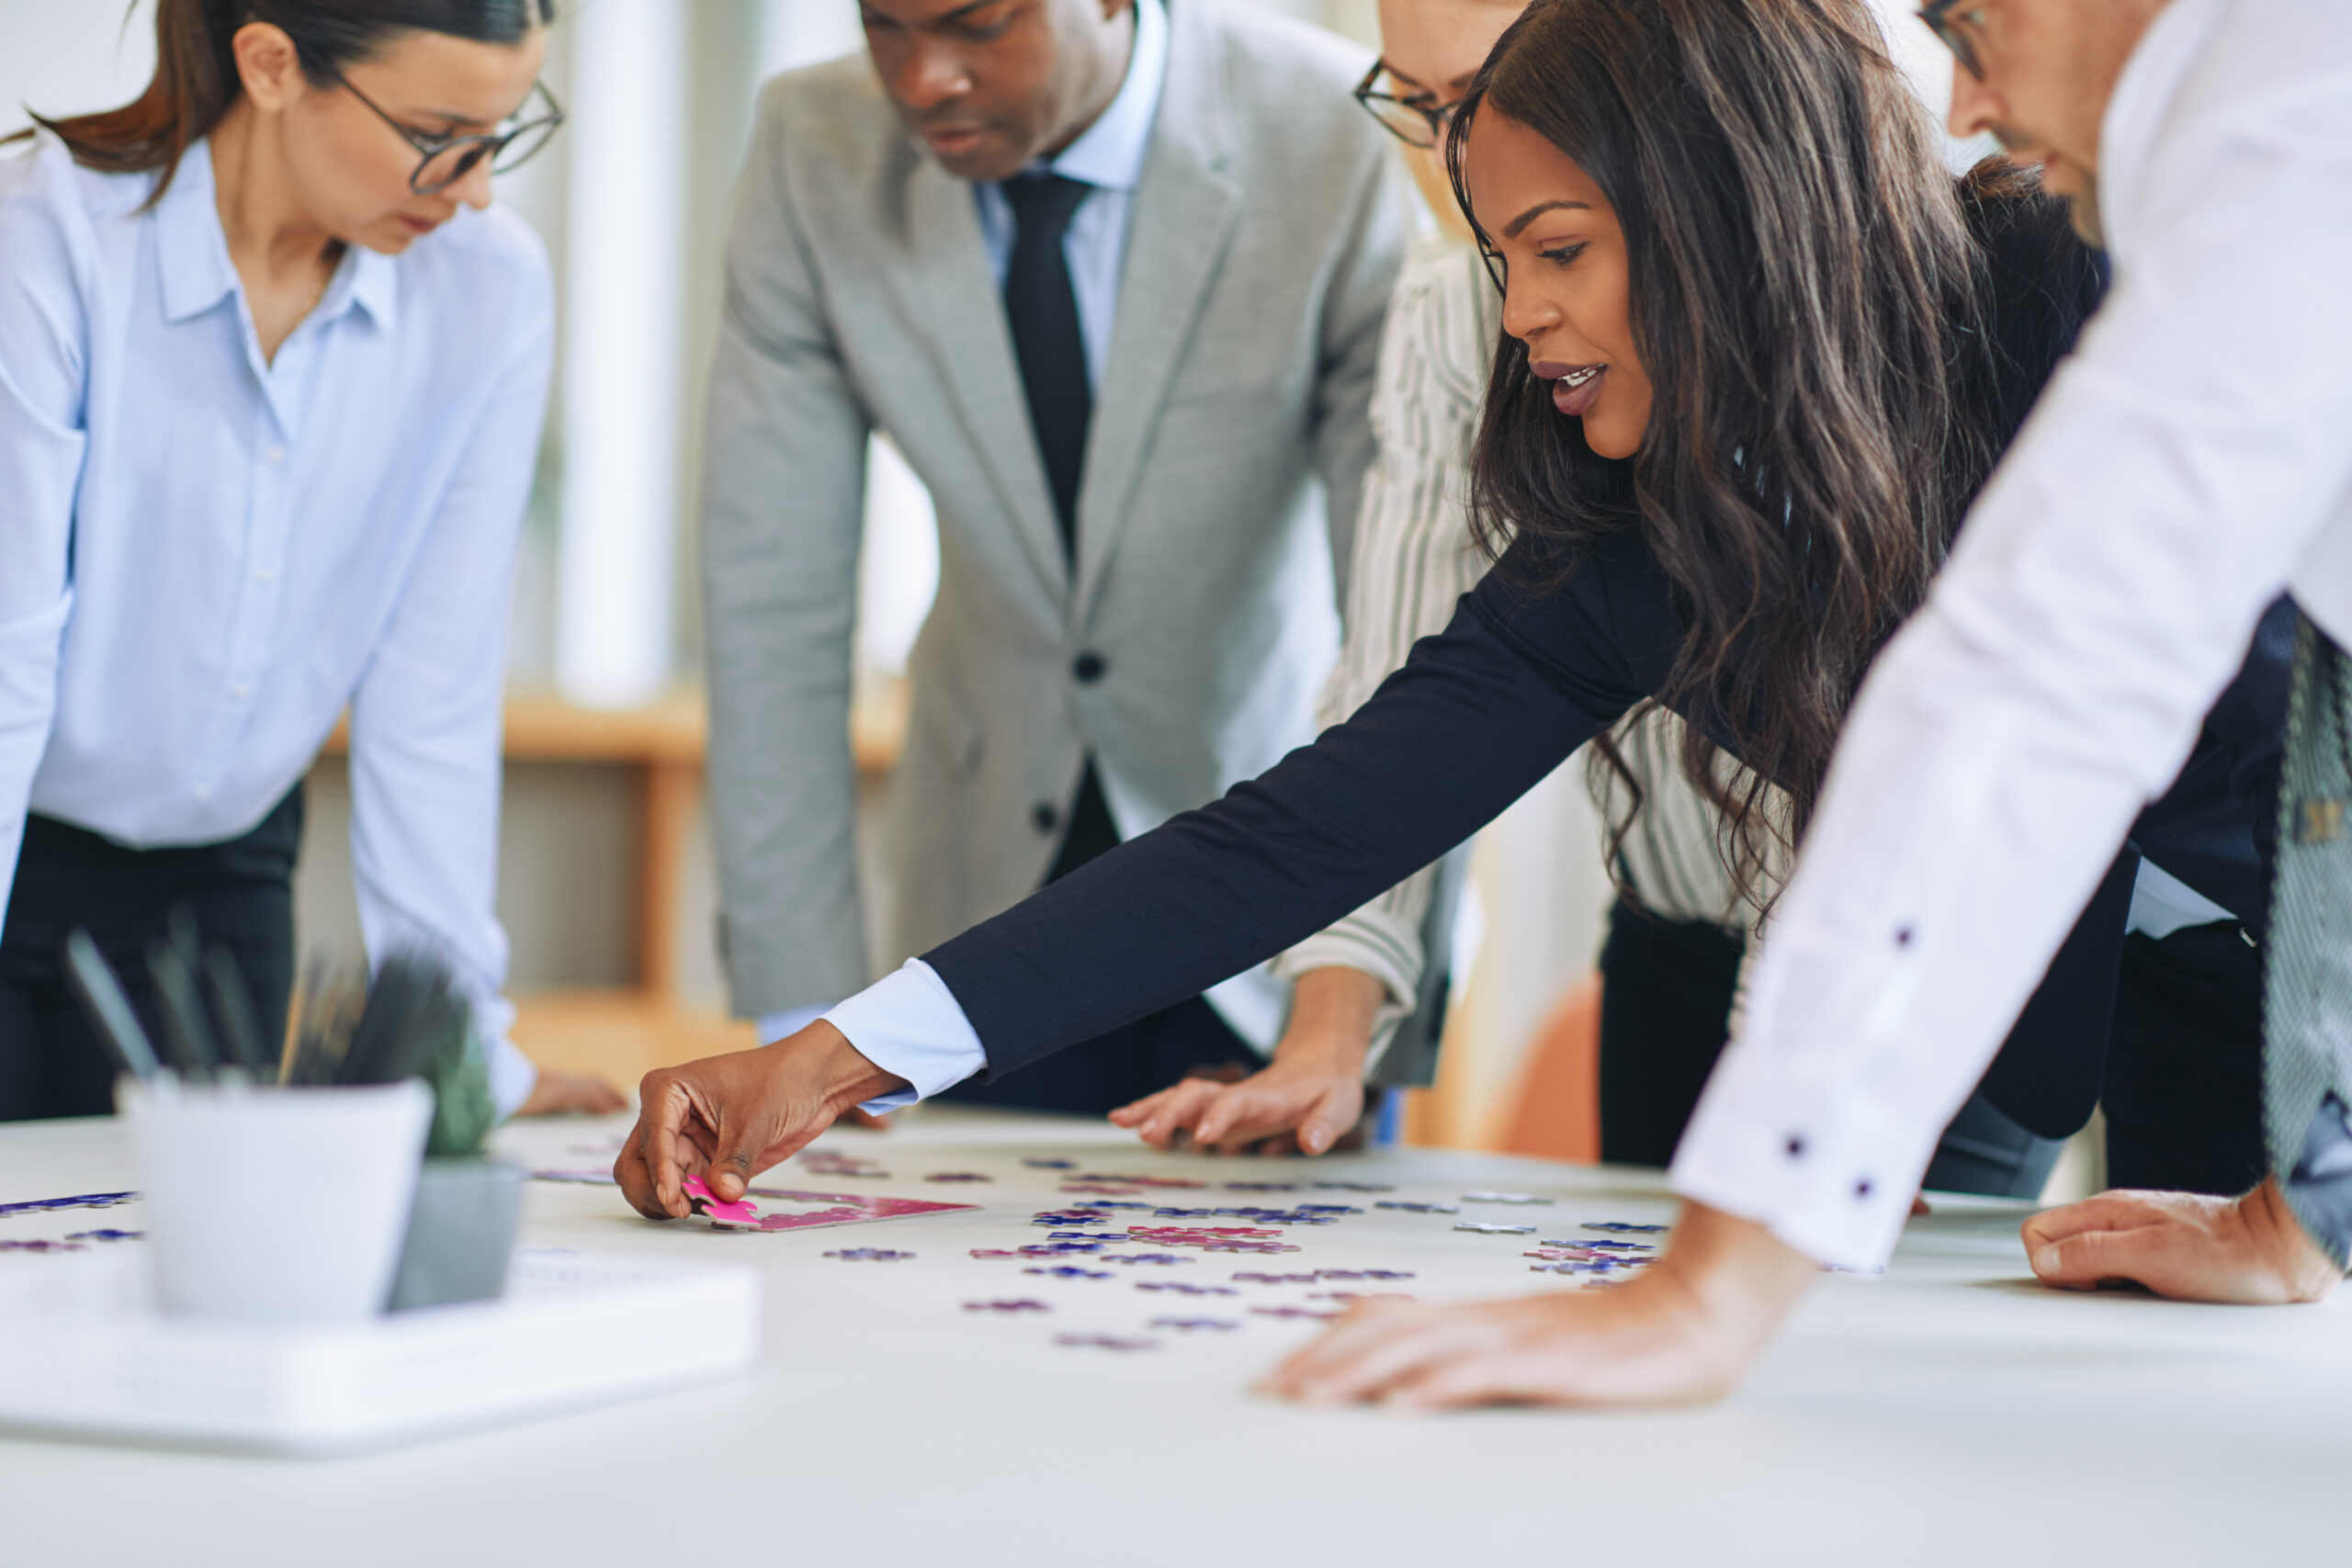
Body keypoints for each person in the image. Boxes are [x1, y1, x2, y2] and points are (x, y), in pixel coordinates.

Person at [622, 0, 2286, 1254]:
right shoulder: (1629, 549)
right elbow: (1288, 837)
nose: (1521, 315)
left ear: (1721, 218)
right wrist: (830, 1059)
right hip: (2003, 1026)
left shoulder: (2063, 286)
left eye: (1557, 250)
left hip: (2285, 953)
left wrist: (2303, 1216)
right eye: (1500, 256)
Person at [1276, 0, 2352, 1408]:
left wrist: (1706, 1293)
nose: (1961, 102)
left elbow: (2039, 682)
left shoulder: (2274, 138)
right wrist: (2317, 1206)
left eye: (1972, 25)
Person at [1109, 0, 2101, 1205]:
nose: (1449, 159)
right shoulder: (1451, 305)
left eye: (1475, 99)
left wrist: (1773, 1107)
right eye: (1413, 109)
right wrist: (1324, 1035)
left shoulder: (1909, 259)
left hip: (1908, 954)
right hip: (1672, 926)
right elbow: (1402, 696)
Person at [698, 0, 1406, 1116]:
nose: (924, 78)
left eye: (976, 25)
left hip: (1274, 892)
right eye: (884, 26)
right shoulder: (812, 144)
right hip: (973, 915)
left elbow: (1403, 606)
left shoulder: (1336, 127)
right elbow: (769, 594)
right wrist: (803, 1024)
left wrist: (1342, 1002)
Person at [0, 0, 621, 1120]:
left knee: (193, 1260)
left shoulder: (488, 290)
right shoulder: (45, 239)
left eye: (502, 133)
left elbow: (431, 699)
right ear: (272, 63)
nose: (474, 186)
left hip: (219, 885)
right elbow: (4, 661)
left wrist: (464, 1044)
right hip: (19, 839)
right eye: (439, 137)